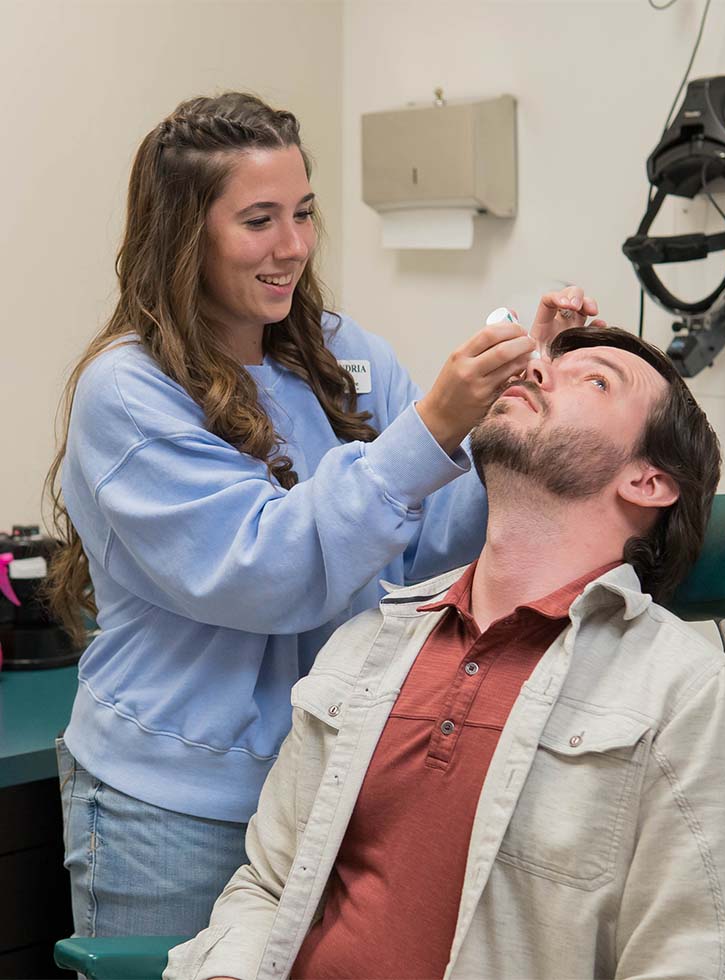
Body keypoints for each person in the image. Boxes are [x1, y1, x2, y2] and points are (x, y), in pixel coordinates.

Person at [46, 90, 598, 937]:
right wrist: (431, 428)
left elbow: (433, 551)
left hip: (330, 787)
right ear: (184, 233)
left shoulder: (345, 357)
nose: (295, 246)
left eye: (303, 213)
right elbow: (267, 572)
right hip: (176, 809)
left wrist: (522, 403)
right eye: (259, 220)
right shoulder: (128, 390)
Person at [165, 326, 725, 980]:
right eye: (549, 360)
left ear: (648, 481)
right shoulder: (367, 645)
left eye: (596, 379)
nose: (537, 370)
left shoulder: (693, 704)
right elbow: (266, 885)